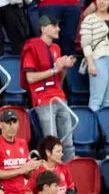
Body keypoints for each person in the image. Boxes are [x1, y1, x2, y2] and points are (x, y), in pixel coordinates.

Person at [24, 16, 77, 156]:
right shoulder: (31, 47)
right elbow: (30, 78)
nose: (58, 28)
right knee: (52, 145)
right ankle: (52, 176)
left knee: (68, 144)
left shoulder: (56, 48)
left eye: (58, 25)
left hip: (60, 97)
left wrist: (64, 67)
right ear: (43, 28)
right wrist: (54, 69)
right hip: (43, 99)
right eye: (54, 26)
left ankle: (67, 176)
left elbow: (58, 79)